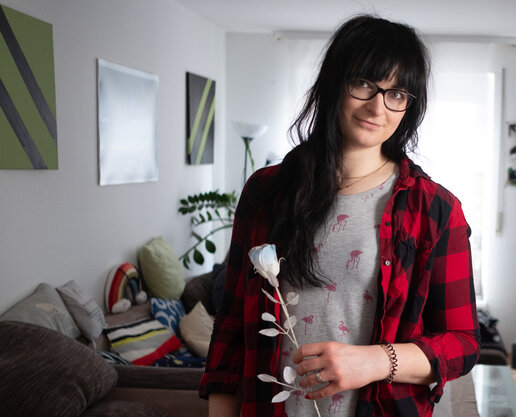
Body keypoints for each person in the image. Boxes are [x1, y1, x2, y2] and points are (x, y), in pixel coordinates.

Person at [200, 14, 480, 417]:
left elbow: (464, 343)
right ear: (335, 81)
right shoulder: (265, 191)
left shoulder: (435, 209)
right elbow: (229, 330)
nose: (377, 106)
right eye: (364, 83)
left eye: (397, 94)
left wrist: (376, 360)